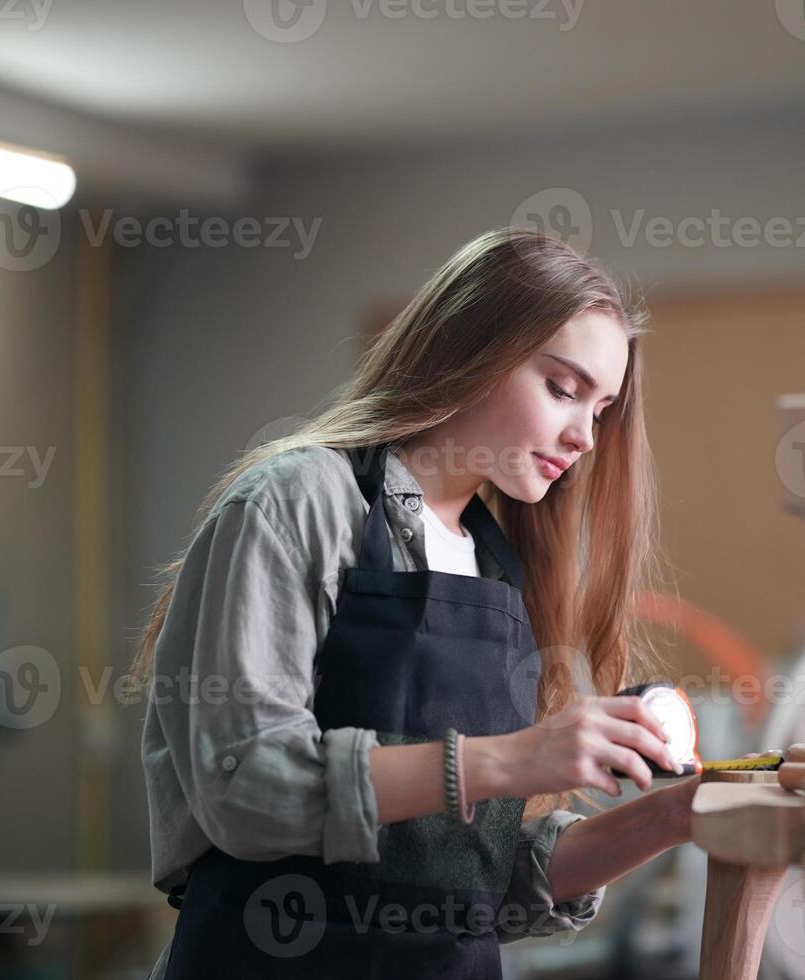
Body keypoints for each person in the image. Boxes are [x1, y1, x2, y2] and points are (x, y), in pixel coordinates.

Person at [131, 227, 700, 978]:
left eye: (600, 410)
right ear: (470, 351)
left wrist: (679, 813)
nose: (583, 437)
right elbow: (246, 789)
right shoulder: (299, 502)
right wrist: (511, 759)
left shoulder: (498, 573)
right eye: (563, 389)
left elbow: (478, 882)